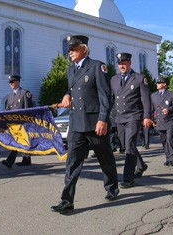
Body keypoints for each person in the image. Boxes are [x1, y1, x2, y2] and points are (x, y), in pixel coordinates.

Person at [51, 35, 119, 213]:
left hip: (94, 122)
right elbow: (72, 89)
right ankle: (67, 200)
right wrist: (66, 95)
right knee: (72, 162)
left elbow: (105, 95)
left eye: (73, 48)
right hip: (77, 123)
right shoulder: (69, 70)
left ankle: (112, 187)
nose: (70, 52)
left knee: (105, 158)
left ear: (84, 49)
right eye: (69, 49)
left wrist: (103, 119)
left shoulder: (97, 66)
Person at [111, 52, 152, 188]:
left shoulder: (139, 78)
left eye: (124, 63)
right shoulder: (114, 79)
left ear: (129, 62)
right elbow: (111, 99)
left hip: (134, 116)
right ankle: (141, 165)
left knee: (129, 144)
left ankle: (128, 178)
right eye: (119, 63)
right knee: (125, 145)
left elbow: (146, 99)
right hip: (119, 117)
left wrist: (147, 116)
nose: (122, 65)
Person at [1, 74, 34, 168]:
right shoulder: (10, 95)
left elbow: (29, 109)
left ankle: (10, 161)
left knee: (19, 141)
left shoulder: (25, 93)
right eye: (10, 83)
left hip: (23, 122)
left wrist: (27, 122)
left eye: (12, 82)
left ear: (18, 82)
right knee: (19, 141)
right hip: (13, 123)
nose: (11, 84)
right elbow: (7, 109)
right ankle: (26, 160)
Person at [150, 76, 173, 167]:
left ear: (164, 84)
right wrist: (152, 119)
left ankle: (171, 158)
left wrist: (169, 109)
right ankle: (167, 157)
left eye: (159, 83)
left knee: (170, 138)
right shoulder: (153, 95)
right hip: (159, 121)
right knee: (163, 140)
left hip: (169, 120)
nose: (157, 84)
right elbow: (151, 109)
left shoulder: (171, 94)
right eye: (157, 83)